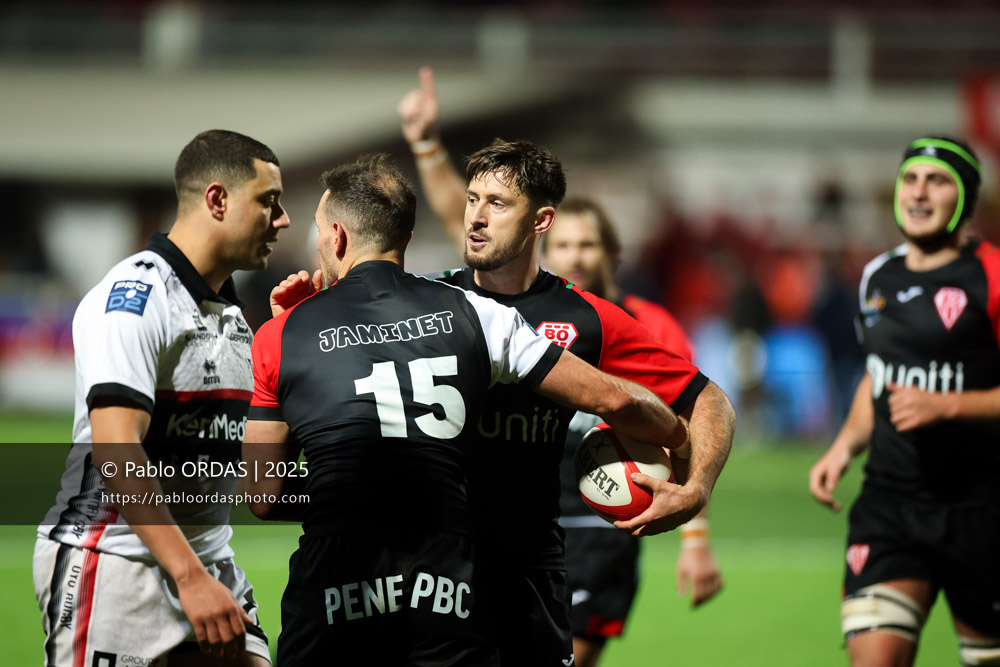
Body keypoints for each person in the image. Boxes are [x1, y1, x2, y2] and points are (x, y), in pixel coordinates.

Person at [242, 153, 689, 666]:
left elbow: (263, 495)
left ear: (337, 237)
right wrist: (678, 445)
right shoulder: (478, 313)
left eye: (319, 231)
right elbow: (615, 399)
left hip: (334, 587)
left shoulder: (281, 333)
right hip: (446, 589)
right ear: (407, 236)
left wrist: (347, 482)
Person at [33, 129, 289, 665]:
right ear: (217, 200)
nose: (282, 219)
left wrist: (297, 350)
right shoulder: (134, 299)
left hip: (208, 561)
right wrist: (188, 577)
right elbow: (116, 450)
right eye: (268, 201)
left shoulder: (237, 319)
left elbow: (254, 482)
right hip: (112, 564)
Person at [808, 136, 1000, 666]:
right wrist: (844, 446)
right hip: (889, 509)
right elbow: (879, 380)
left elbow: (939, 399)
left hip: (981, 512)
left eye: (937, 181)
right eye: (910, 179)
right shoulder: (877, 277)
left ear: (965, 198)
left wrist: (950, 405)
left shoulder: (992, 276)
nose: (919, 192)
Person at [542, 197, 723, 666]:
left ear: (612, 253)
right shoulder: (528, 319)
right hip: (530, 519)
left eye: (588, 244)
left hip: (602, 524)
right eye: (562, 244)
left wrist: (696, 537)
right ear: (543, 251)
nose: (575, 256)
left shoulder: (648, 324)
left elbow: (694, 418)